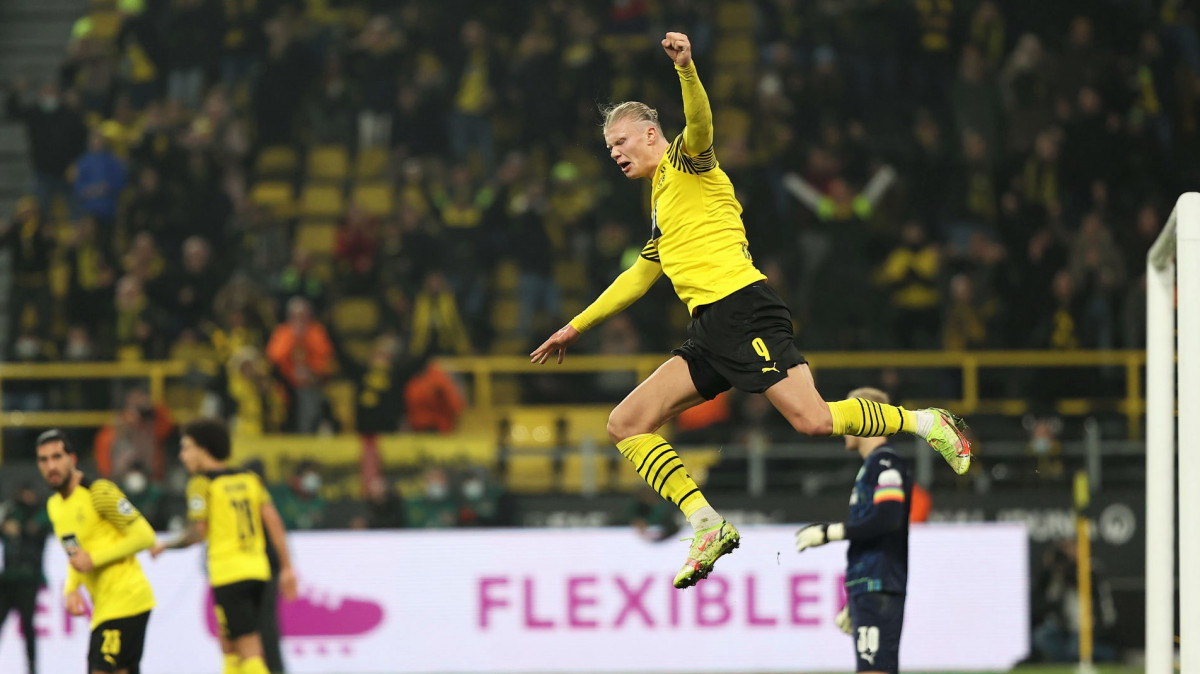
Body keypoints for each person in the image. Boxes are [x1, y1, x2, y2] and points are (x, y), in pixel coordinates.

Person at [530, 32, 972, 589]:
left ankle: (928, 422)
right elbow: (639, 275)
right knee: (625, 423)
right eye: (608, 147)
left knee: (814, 420)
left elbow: (701, 125)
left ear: (651, 134)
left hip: (743, 309)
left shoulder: (687, 162)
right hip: (709, 328)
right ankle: (706, 524)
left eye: (620, 141)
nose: (614, 153)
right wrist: (575, 327)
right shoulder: (662, 201)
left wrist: (687, 69)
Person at [151, 419, 297, 674]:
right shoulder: (249, 479)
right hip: (259, 571)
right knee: (230, 645)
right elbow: (274, 522)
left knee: (248, 648)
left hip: (229, 573)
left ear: (203, 449)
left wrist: (166, 545)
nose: (182, 455)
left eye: (187, 448)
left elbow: (198, 532)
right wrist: (286, 567)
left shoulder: (201, 484)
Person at [795, 387, 912, 674]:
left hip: (878, 584)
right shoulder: (874, 466)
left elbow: (888, 518)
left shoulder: (885, 463)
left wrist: (829, 533)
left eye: (848, 414)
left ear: (864, 417)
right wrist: (854, 595)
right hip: (868, 585)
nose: (842, 423)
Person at [36, 429, 156, 674]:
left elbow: (145, 536)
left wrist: (95, 559)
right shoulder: (55, 506)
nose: (51, 466)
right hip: (104, 606)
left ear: (72, 459)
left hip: (127, 599)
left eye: (57, 457)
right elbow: (75, 553)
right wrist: (71, 589)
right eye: (44, 460)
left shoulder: (98, 492)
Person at [0, 483, 51, 674]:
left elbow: (35, 529)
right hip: (8, 579)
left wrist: (18, 528)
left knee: (28, 626)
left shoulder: (40, 513)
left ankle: (32, 667)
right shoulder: (11, 510)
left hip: (28, 579)